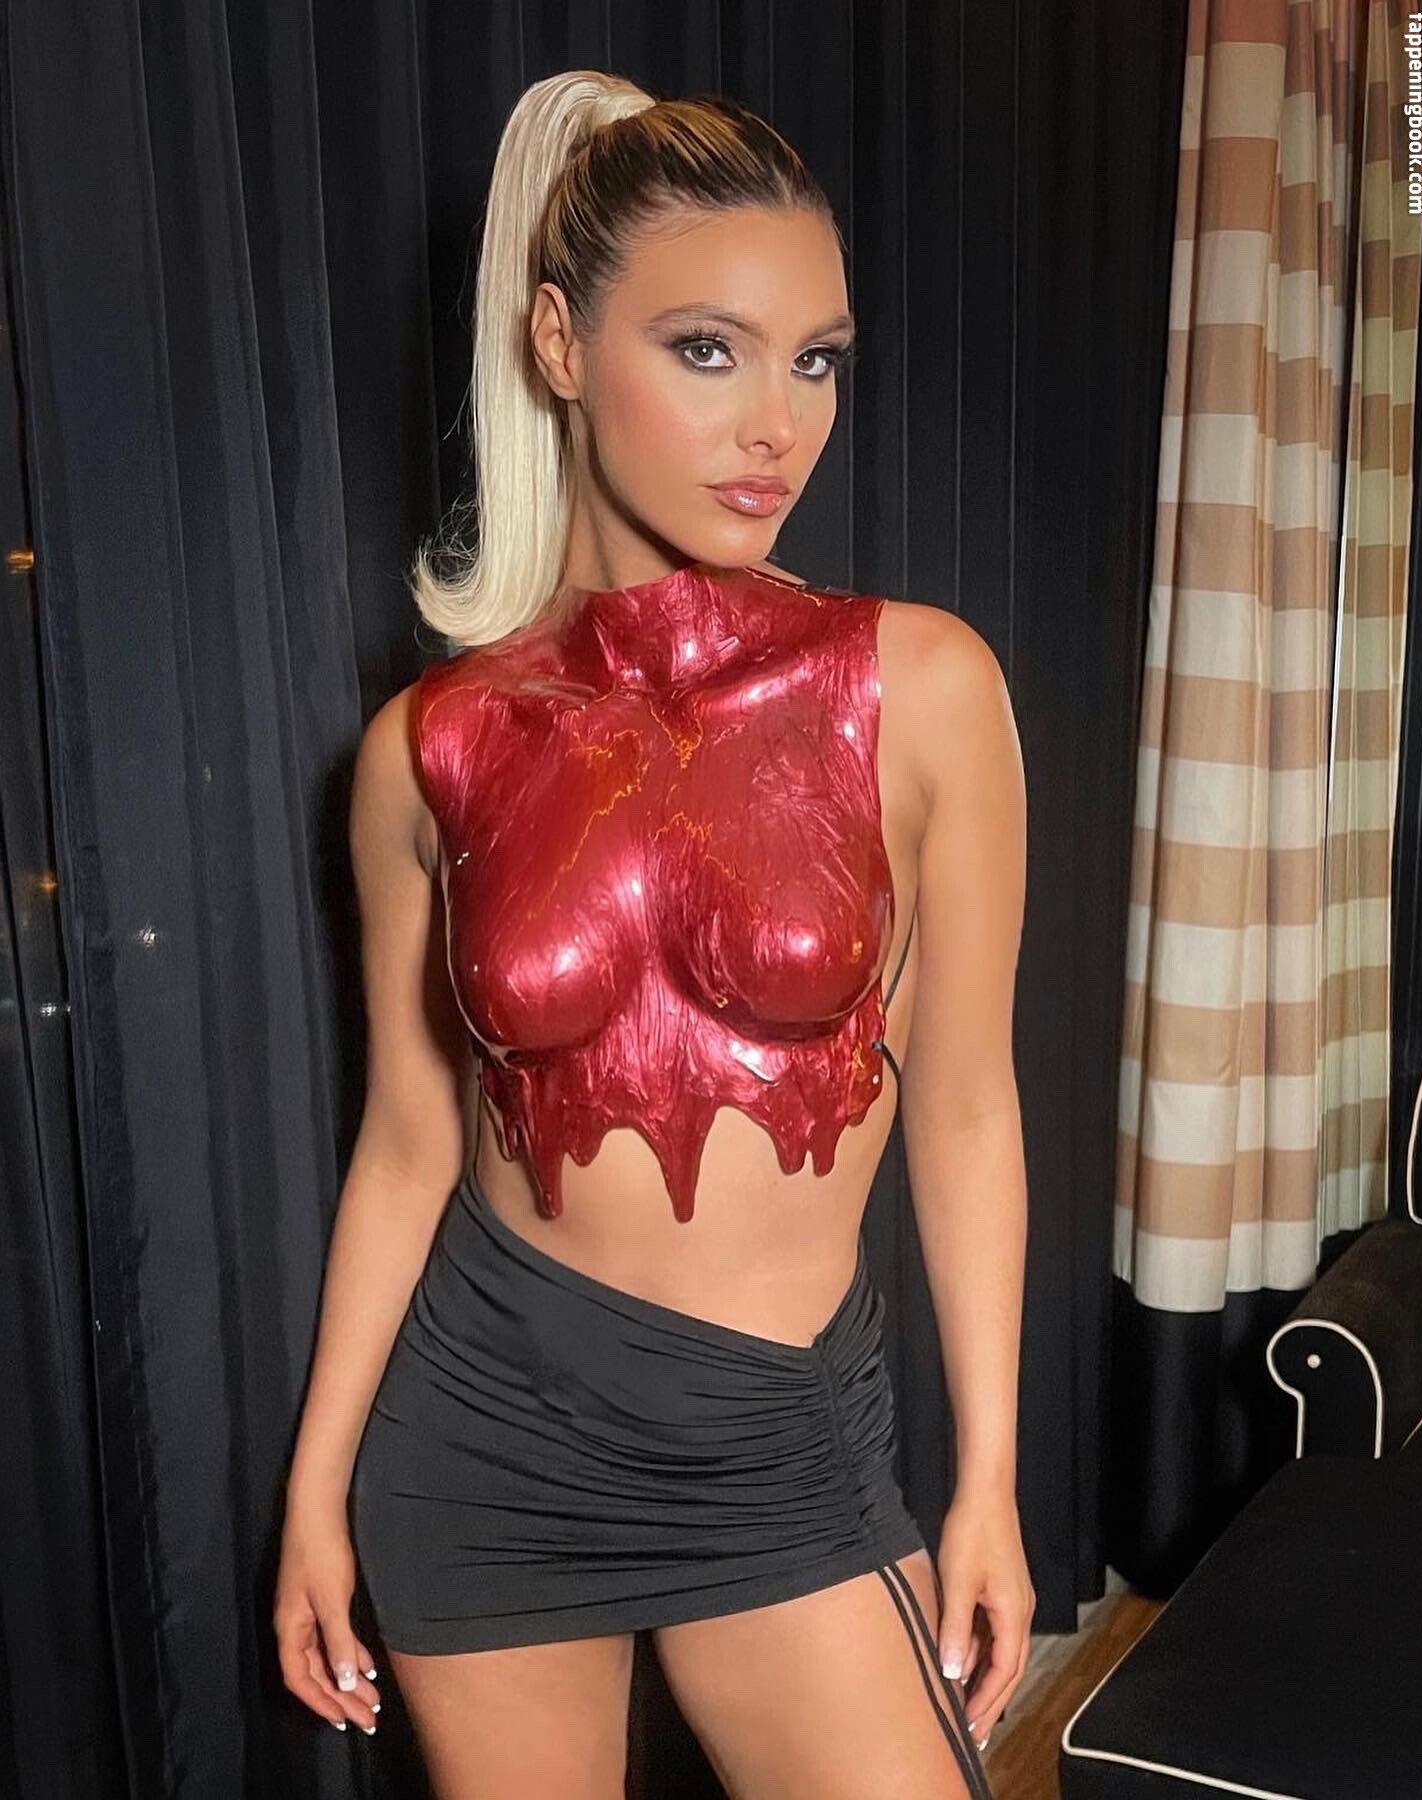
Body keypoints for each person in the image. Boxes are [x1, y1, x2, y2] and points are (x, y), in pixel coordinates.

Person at [274, 69, 1032, 1798]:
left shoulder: (920, 687)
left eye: (815, 360)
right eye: (707, 350)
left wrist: (987, 1475)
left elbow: (971, 1105)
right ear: (559, 341)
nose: (777, 424)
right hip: (483, 1434)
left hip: (777, 1443)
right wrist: (315, 1489)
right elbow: (408, 1143)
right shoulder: (427, 748)